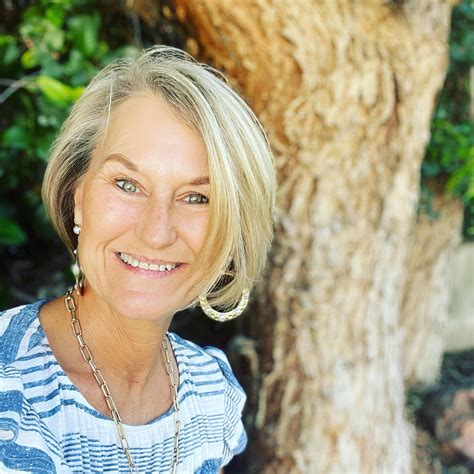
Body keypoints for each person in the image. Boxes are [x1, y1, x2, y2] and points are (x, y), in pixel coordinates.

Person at [0, 45, 275, 473]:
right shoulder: (11, 393)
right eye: (127, 184)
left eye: (197, 197)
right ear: (78, 198)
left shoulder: (211, 395)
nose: (156, 232)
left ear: (231, 228)